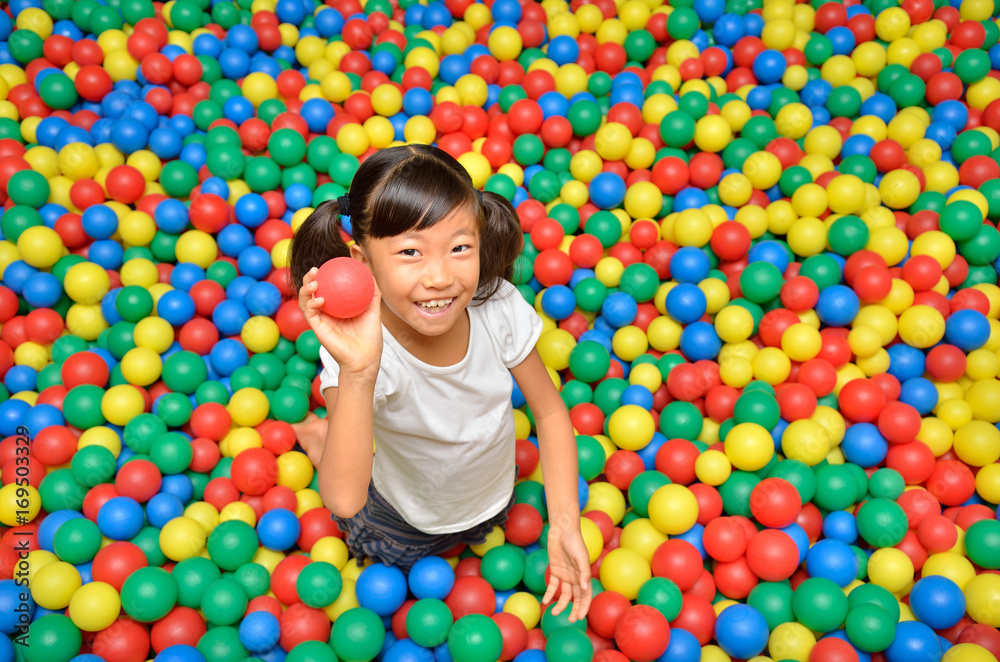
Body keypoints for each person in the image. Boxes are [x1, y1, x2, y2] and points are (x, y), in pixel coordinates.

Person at [289, 144, 592, 622]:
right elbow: (344, 499)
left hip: (492, 495)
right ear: (362, 262)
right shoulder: (360, 354)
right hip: (402, 516)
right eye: (410, 252)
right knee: (344, 448)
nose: (440, 277)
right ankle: (316, 436)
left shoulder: (496, 306)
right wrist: (359, 373)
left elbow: (551, 412)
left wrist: (565, 525)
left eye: (459, 248)